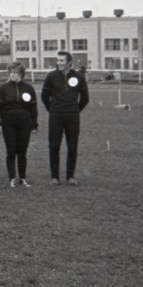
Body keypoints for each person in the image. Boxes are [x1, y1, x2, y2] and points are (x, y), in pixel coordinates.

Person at [42, 51, 89, 186]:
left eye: (62, 60)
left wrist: (74, 110)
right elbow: (44, 97)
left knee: (72, 146)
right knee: (54, 146)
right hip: (55, 115)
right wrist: (52, 110)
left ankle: (70, 177)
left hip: (72, 116)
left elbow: (85, 99)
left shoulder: (79, 77)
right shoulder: (51, 76)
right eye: (58, 60)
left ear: (69, 62)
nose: (59, 63)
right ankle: (55, 177)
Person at [0, 63, 38, 188]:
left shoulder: (29, 88)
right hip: (8, 124)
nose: (12, 75)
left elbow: (33, 108)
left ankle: (23, 178)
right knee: (11, 151)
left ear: (21, 74)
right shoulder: (3, 88)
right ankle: (12, 178)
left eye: (15, 72)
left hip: (25, 124)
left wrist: (34, 125)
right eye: (11, 72)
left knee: (22, 152)